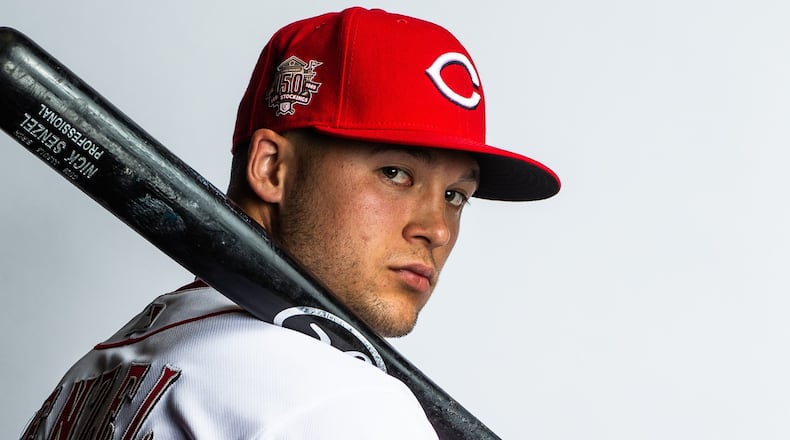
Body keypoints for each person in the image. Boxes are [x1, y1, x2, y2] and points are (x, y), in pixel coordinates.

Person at [20, 7, 560, 439]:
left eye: (455, 195)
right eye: (395, 173)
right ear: (271, 169)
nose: (437, 230)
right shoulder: (341, 401)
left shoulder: (105, 367)